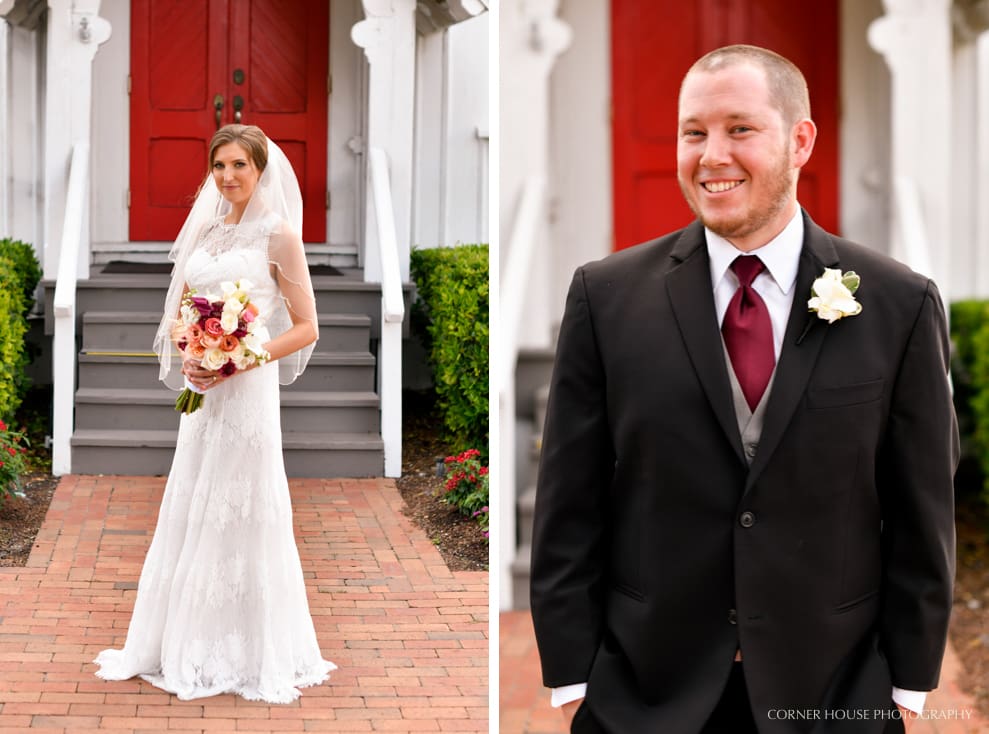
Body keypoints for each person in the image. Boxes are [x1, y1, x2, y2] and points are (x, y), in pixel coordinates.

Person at [529, 44, 957, 734]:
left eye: (739, 129)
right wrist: (574, 675)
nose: (710, 156)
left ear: (799, 140)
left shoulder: (897, 304)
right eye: (692, 132)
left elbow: (921, 510)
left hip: (831, 694)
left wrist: (904, 684)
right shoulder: (604, 298)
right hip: (645, 696)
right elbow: (568, 501)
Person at [94, 124, 336, 703]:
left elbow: (307, 327)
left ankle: (251, 649)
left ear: (261, 170)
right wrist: (193, 354)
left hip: (247, 391)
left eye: (239, 166)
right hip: (203, 393)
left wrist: (239, 357)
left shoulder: (279, 235)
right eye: (219, 165)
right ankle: (180, 641)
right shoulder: (205, 229)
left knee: (242, 503)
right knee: (195, 500)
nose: (228, 176)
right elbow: (183, 310)